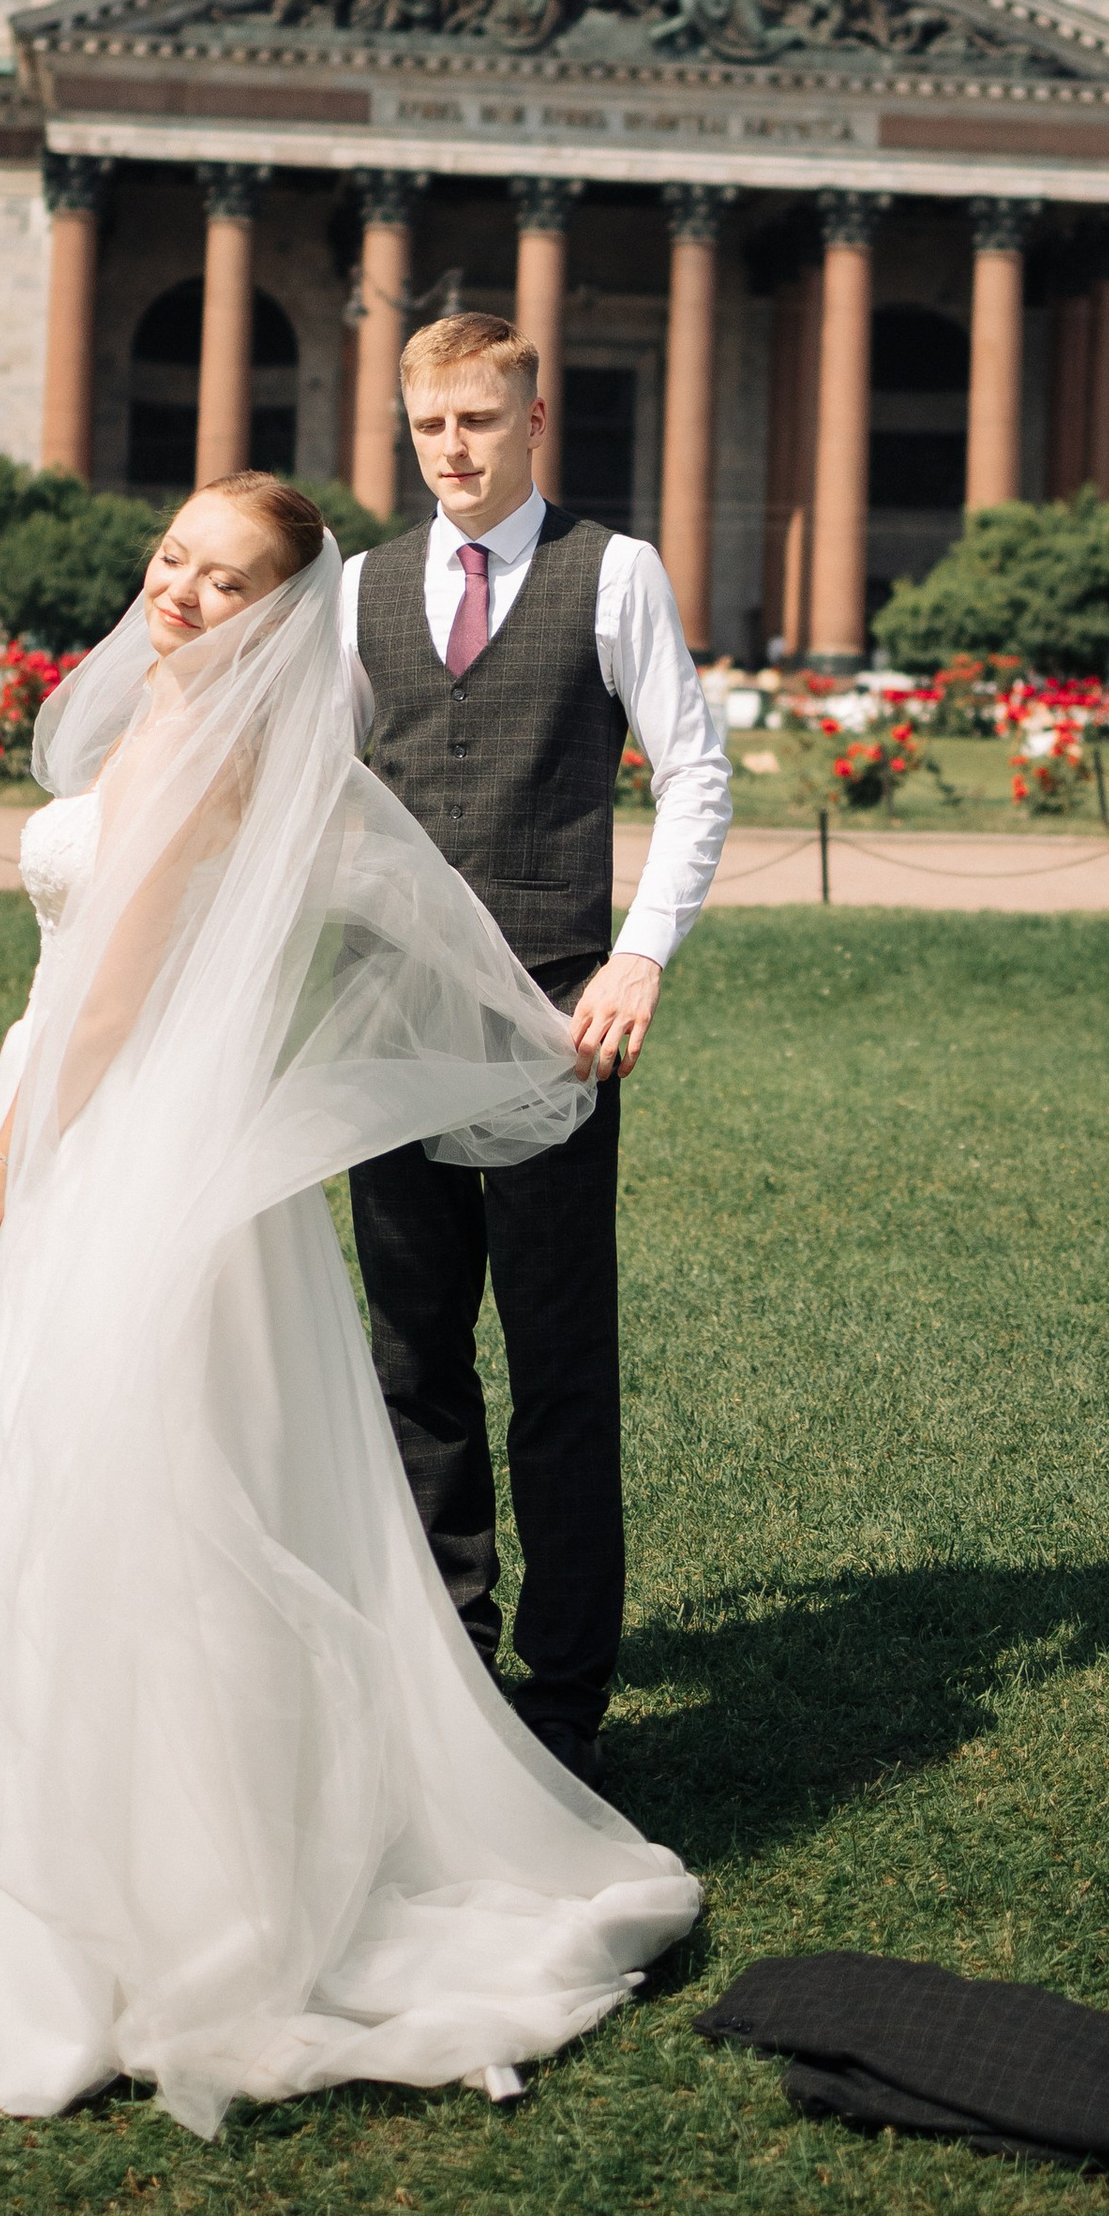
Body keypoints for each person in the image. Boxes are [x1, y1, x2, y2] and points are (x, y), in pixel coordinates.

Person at [0, 474, 697, 2128]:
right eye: (174, 558)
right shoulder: (222, 727)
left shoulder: (201, 748)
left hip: (110, 1148)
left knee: (96, 1513)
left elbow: (103, 1005)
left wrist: (5, 1181)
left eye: (222, 582)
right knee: (139, 1502)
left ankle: (124, 1907)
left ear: (277, 613)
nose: (177, 592)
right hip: (155, 1142)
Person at [343, 314, 731, 1801]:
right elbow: (316, 781)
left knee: (560, 1367)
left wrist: (640, 956)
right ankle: (452, 1653)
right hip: (387, 1024)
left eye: (480, 422)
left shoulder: (611, 572)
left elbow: (694, 771)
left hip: (559, 1017)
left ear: (533, 421)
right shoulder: (363, 590)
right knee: (416, 1359)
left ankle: (568, 1696)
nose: (455, 448)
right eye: (432, 424)